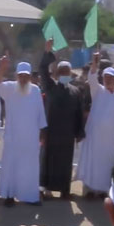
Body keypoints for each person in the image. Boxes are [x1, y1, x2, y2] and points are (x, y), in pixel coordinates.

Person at [0, 56, 47, 206]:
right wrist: (2, 68)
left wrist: (43, 132)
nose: (23, 79)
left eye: (26, 76)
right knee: (11, 166)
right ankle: (9, 195)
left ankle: (30, 197)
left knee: (30, 168)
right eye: (21, 75)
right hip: (13, 138)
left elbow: (40, 112)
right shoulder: (9, 88)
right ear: (16, 76)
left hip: (31, 138)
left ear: (30, 77)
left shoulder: (35, 90)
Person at [76, 53, 114, 198]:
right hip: (94, 136)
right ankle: (89, 190)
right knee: (93, 163)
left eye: (111, 78)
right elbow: (92, 77)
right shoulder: (98, 90)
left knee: (106, 164)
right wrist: (95, 63)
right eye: (106, 77)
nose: (108, 80)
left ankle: (104, 191)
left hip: (110, 139)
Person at [39, 40, 85, 199]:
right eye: (62, 72)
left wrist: (79, 132)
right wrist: (47, 53)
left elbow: (79, 113)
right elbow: (42, 70)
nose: (64, 74)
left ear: (70, 73)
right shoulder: (50, 87)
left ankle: (65, 191)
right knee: (48, 161)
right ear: (57, 73)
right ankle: (45, 189)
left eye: (67, 72)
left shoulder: (76, 91)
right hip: (51, 132)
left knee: (65, 163)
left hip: (67, 134)